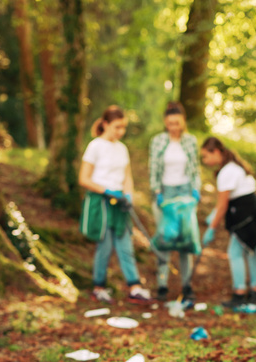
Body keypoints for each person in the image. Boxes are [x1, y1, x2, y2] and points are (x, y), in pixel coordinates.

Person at [79, 105, 152, 305]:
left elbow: (127, 176)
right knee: (105, 244)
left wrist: (128, 195)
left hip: (120, 201)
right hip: (102, 201)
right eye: (117, 127)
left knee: (125, 242)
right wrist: (106, 190)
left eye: (123, 127)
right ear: (105, 124)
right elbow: (84, 178)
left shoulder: (122, 148)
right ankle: (98, 287)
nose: (120, 131)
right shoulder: (95, 146)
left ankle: (134, 287)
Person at [201, 136, 256, 313]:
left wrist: (211, 228)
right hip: (254, 214)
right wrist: (213, 215)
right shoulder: (232, 167)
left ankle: (239, 294)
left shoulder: (227, 172)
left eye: (205, 156)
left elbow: (223, 204)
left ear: (216, 152)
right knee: (252, 252)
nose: (205, 161)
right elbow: (224, 203)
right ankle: (255, 292)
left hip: (246, 218)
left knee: (235, 253)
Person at [149, 102, 201, 302]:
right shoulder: (158, 141)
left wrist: (196, 189)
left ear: (183, 122)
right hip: (165, 194)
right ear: (165, 122)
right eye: (170, 123)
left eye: (177, 123)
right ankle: (162, 285)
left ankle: (186, 284)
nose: (174, 127)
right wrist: (156, 191)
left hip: (185, 194)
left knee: (186, 240)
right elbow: (153, 168)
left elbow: (195, 168)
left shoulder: (190, 141)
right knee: (165, 239)